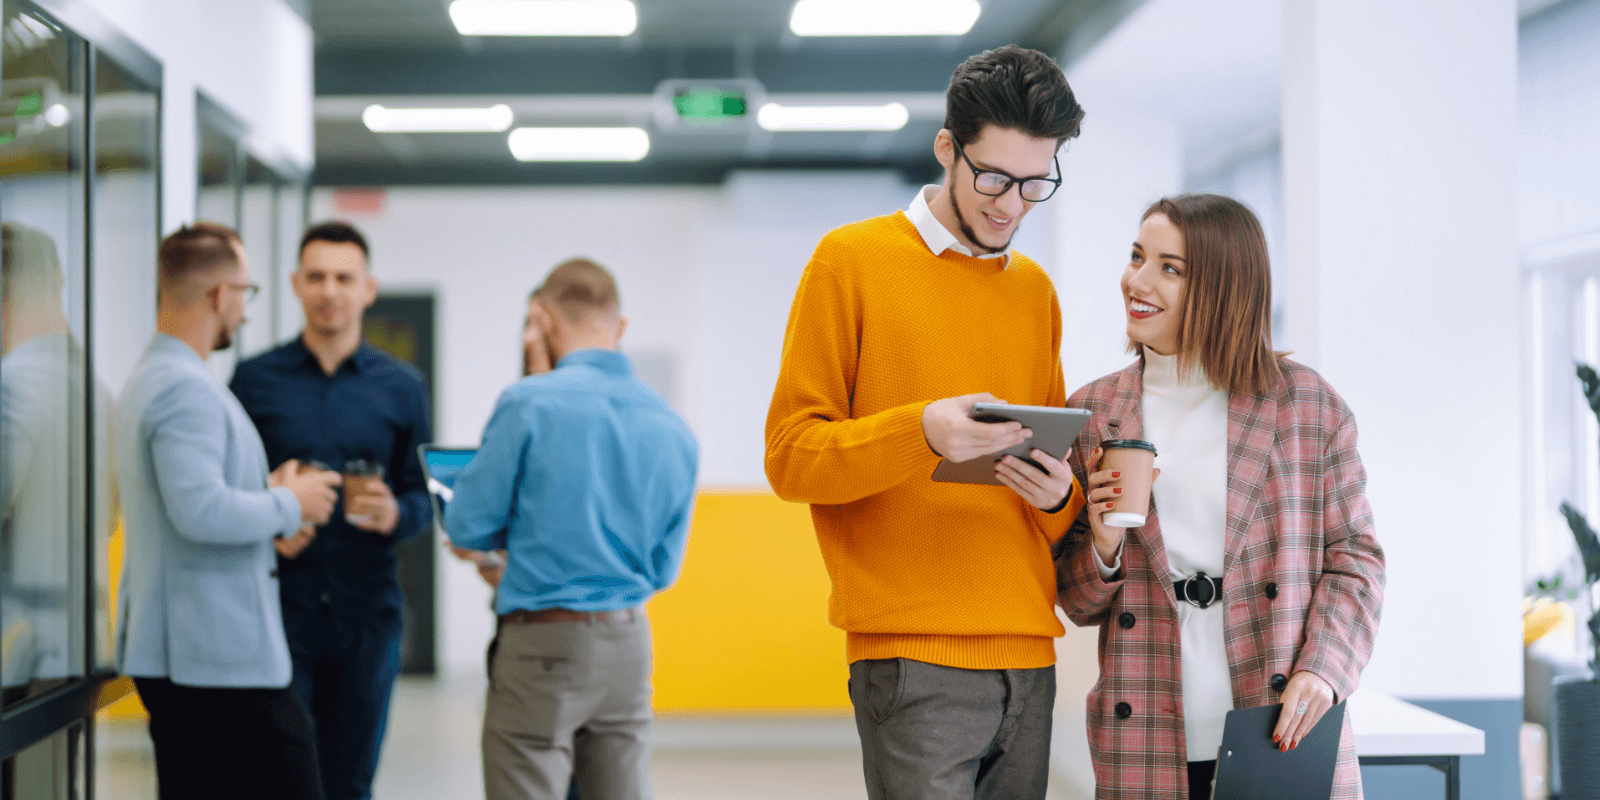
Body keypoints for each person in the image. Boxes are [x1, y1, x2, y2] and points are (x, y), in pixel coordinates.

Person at [764, 44, 1087, 800]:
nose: (1012, 204)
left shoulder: (1035, 292)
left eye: (1037, 182)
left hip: (1031, 658)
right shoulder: (848, 264)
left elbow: (1054, 497)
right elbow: (791, 458)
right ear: (948, 149)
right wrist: (922, 431)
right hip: (911, 661)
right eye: (995, 177)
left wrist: (1057, 498)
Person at [1056, 194, 1385, 800]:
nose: (1138, 280)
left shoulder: (1306, 406)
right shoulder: (1093, 412)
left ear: (1224, 287)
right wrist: (1102, 540)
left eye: (1169, 267)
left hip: (1279, 720)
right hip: (1146, 734)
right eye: (1137, 257)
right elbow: (1077, 603)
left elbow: (1355, 560)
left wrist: (1325, 668)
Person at [445, 258, 698, 800]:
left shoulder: (529, 402)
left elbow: (466, 525)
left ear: (542, 317)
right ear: (619, 326)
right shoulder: (671, 424)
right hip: (628, 645)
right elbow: (664, 568)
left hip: (542, 643)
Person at [115, 222, 340, 800]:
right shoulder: (181, 387)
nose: (243, 309)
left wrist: (265, 498)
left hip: (199, 656)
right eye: (245, 292)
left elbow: (192, 501)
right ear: (220, 295)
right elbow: (200, 511)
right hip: (213, 662)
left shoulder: (161, 376)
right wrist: (292, 502)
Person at [229, 221, 433, 800]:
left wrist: (396, 512)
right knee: (282, 780)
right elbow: (231, 492)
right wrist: (267, 525)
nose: (329, 291)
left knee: (350, 782)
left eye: (344, 278)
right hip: (277, 613)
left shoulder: (402, 386)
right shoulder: (253, 381)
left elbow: (423, 498)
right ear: (295, 284)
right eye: (316, 276)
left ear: (368, 289)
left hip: (369, 616)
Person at [0, 222, 113, 705]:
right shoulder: (91, 386)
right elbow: (107, 516)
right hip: (73, 643)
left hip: (19, 651)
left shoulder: (17, 382)